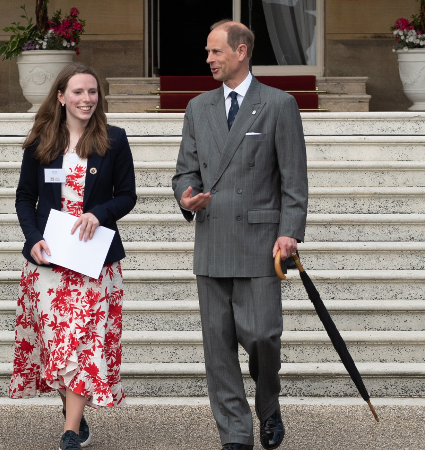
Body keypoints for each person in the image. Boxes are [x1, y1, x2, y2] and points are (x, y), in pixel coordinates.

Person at [172, 20, 308, 450]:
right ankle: (235, 432)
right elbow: (184, 171)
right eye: (208, 53)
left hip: (260, 243)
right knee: (219, 349)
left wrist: (290, 232)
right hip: (212, 239)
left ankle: (268, 404)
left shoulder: (278, 104)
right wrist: (186, 196)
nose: (208, 59)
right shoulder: (198, 107)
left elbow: (294, 178)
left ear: (241, 51)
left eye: (215, 52)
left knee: (263, 336)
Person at [10, 63, 137, 450]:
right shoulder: (40, 143)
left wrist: (99, 214)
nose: (87, 99)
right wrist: (32, 238)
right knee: (55, 347)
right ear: (61, 96)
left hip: (94, 265)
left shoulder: (113, 139)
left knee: (83, 343)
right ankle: (73, 414)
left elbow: (127, 195)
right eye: (79, 92)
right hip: (49, 264)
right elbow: (24, 198)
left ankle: (70, 431)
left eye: (93, 92)